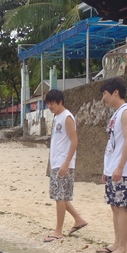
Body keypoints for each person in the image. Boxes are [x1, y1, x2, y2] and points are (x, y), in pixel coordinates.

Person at [98, 77, 127, 253]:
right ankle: (117, 243)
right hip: (113, 168)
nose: (104, 98)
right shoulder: (116, 114)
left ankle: (123, 248)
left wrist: (120, 166)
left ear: (115, 92)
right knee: (114, 206)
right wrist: (108, 168)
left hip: (122, 169)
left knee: (121, 207)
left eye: (105, 94)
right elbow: (112, 143)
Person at [43, 89, 88, 242]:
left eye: (52, 103)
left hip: (63, 162)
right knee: (59, 196)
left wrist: (66, 163)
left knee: (59, 196)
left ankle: (58, 231)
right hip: (57, 162)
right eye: (48, 104)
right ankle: (78, 219)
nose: (50, 106)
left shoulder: (67, 117)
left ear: (60, 102)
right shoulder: (57, 118)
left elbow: (74, 140)